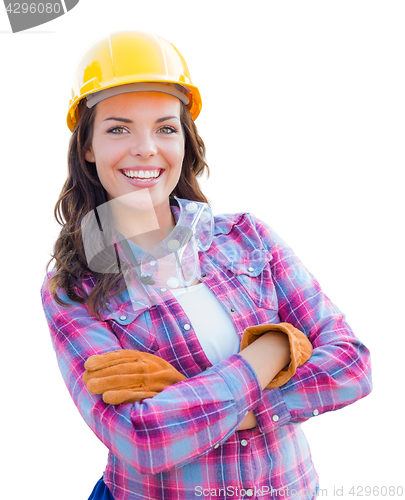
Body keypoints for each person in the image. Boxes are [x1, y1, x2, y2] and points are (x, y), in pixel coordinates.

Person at [41, 31, 372, 500]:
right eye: (118, 128)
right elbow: (144, 441)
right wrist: (273, 349)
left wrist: (214, 404)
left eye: (165, 127)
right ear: (88, 147)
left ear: (185, 139)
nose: (145, 148)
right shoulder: (72, 289)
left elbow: (352, 364)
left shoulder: (248, 238)